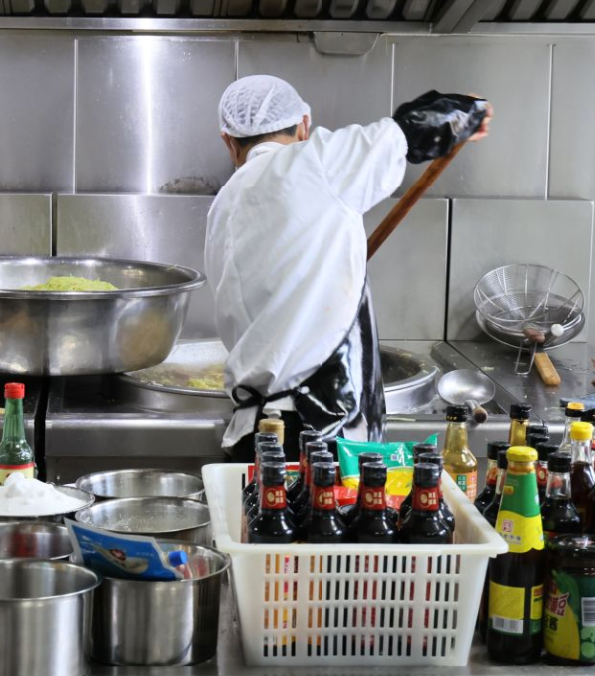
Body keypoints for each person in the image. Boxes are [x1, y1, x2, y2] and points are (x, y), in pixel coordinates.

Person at [205, 75, 492, 461]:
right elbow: (411, 129)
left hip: (254, 433)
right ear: (304, 125)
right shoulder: (316, 162)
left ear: (229, 142)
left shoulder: (223, 207)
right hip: (319, 433)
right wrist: (468, 108)